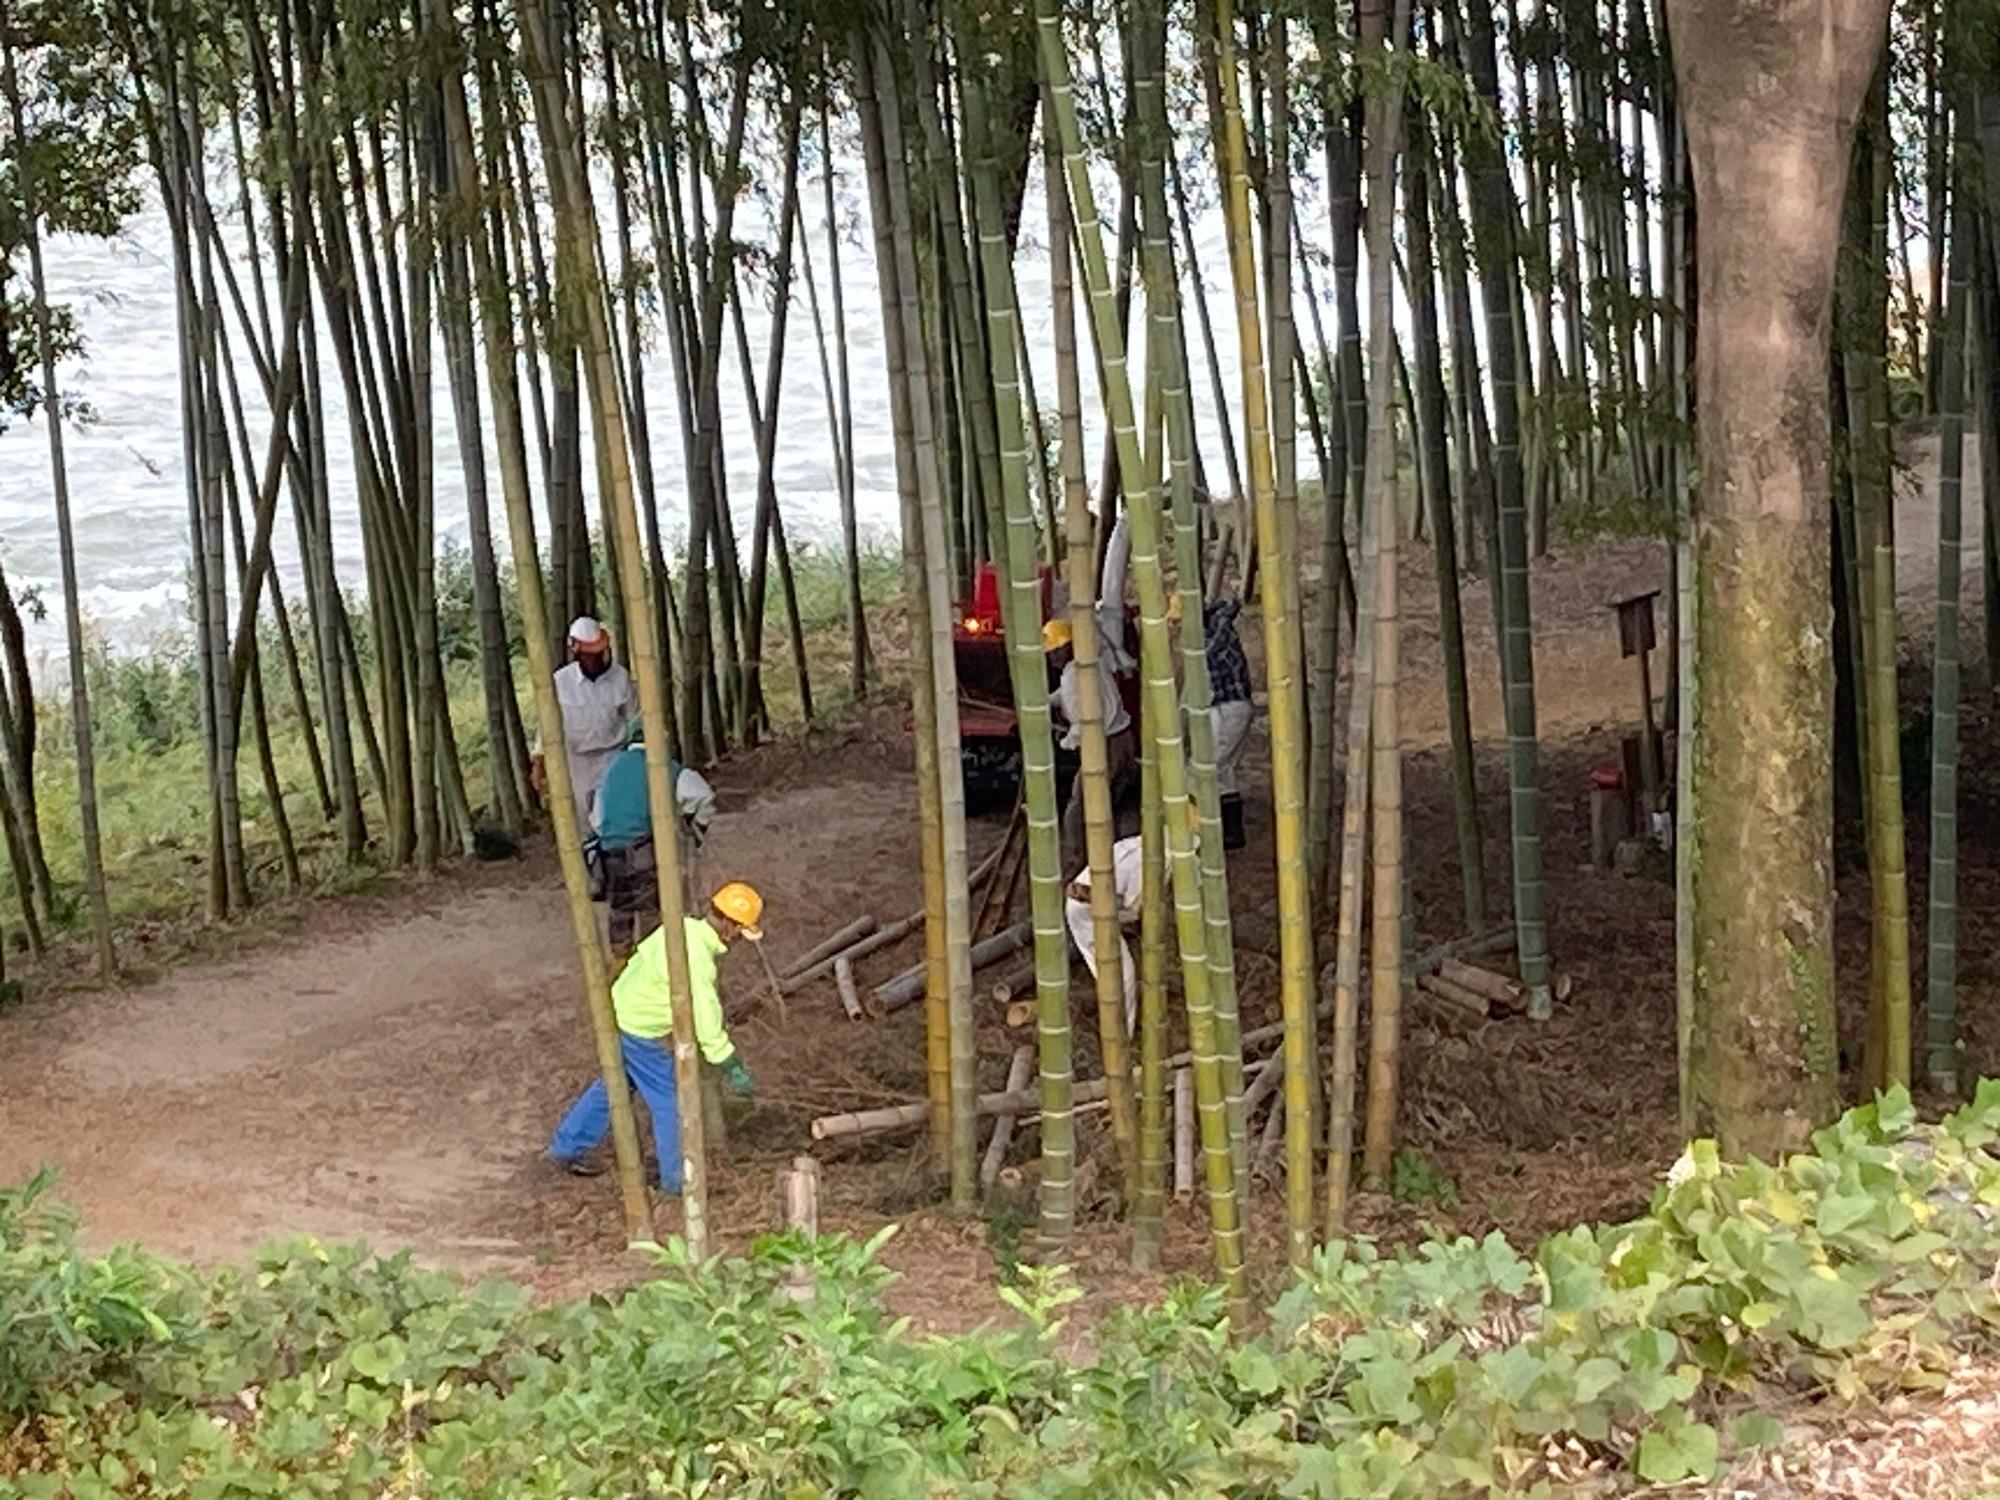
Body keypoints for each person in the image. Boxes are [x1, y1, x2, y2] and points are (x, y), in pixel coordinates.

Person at [546, 882, 763, 1190]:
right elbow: (705, 1014)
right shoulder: (698, 957)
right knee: (669, 1102)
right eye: (742, 931)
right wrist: (729, 1063)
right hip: (639, 1027)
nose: (741, 939)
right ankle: (675, 1181)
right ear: (730, 926)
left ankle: (565, 1148)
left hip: (619, 1010)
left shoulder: (681, 928)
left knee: (612, 1087)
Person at [591, 715, 718, 951]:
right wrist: (696, 824)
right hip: (645, 848)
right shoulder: (665, 767)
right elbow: (703, 796)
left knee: (620, 908)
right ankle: (653, 959)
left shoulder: (611, 768)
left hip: (610, 852)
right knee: (653, 909)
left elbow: (597, 818)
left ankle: (620, 961)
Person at [530, 616, 639, 835]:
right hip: (576, 763)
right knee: (581, 823)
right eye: (589, 655)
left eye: (598, 653)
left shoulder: (620, 677)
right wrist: (538, 764)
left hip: (614, 756)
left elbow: (633, 720)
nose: (595, 659)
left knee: (617, 815)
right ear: (576, 652)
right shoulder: (560, 682)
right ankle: (591, 865)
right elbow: (547, 728)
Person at [1047, 616, 1137, 874]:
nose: (1051, 657)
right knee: (1110, 802)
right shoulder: (1088, 663)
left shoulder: (1074, 676)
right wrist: (1047, 702)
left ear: (1067, 647)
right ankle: (1114, 854)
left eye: (1054, 650)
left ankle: (1079, 862)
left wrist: (1066, 742)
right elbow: (1069, 695)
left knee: (1078, 808)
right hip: (1124, 740)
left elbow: (1083, 721)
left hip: (1105, 745)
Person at [1065, 834, 1142, 1024]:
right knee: (1122, 975)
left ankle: (1114, 1021)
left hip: (1090, 903)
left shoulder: (1131, 844)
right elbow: (1135, 907)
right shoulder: (1141, 862)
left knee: (1107, 971)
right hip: (1087, 910)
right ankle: (1121, 1032)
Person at [1203, 596, 1255, 850]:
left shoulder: (1215, 639)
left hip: (1229, 709)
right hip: (1229, 709)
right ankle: (1232, 833)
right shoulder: (1218, 630)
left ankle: (1208, 830)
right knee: (1223, 771)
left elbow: (1203, 656)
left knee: (1205, 770)